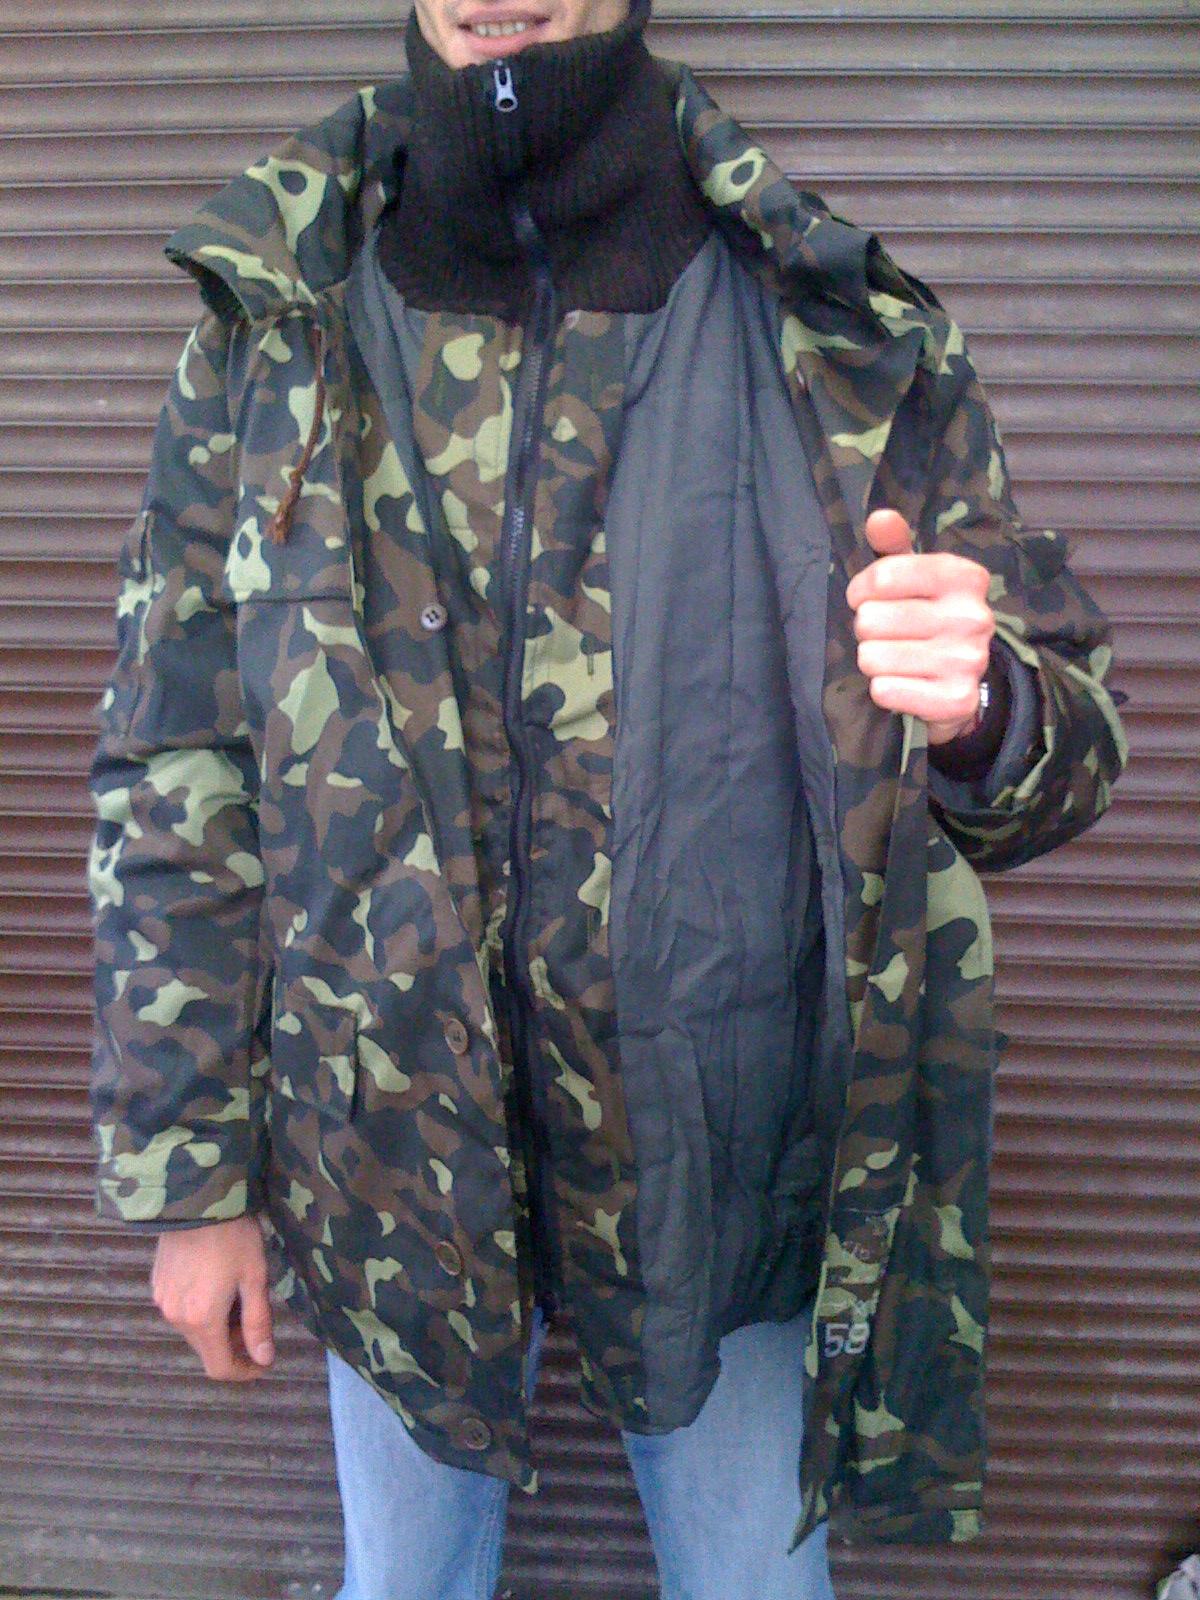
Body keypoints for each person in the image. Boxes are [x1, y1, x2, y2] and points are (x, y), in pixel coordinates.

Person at [84, 2, 1128, 1597]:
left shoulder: (831, 328)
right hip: (387, 1155)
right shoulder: (277, 319)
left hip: (723, 1161)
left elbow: (1070, 748)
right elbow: (177, 760)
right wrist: (192, 1178)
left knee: (755, 1587)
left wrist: (982, 705)